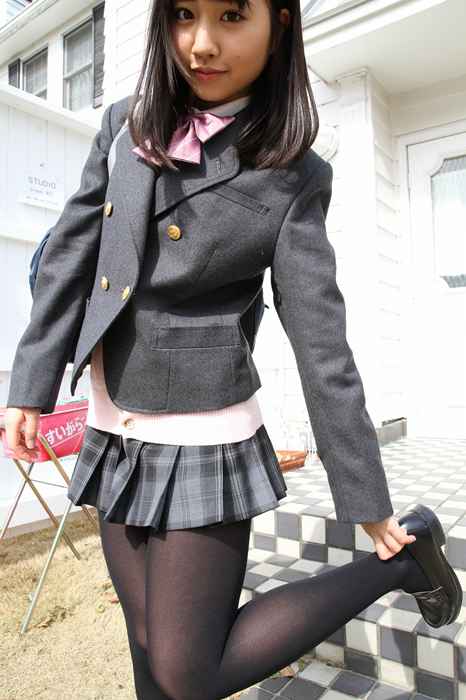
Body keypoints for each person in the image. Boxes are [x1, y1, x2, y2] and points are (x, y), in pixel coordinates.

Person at [4, 0, 461, 697]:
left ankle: (403, 563)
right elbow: (71, 253)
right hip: (112, 413)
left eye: (231, 15)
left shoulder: (293, 172)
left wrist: (366, 494)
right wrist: (30, 386)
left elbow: (319, 338)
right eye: (184, 14)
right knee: (145, 643)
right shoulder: (123, 124)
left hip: (203, 429)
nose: (201, 43)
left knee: (187, 671)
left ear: (279, 23)